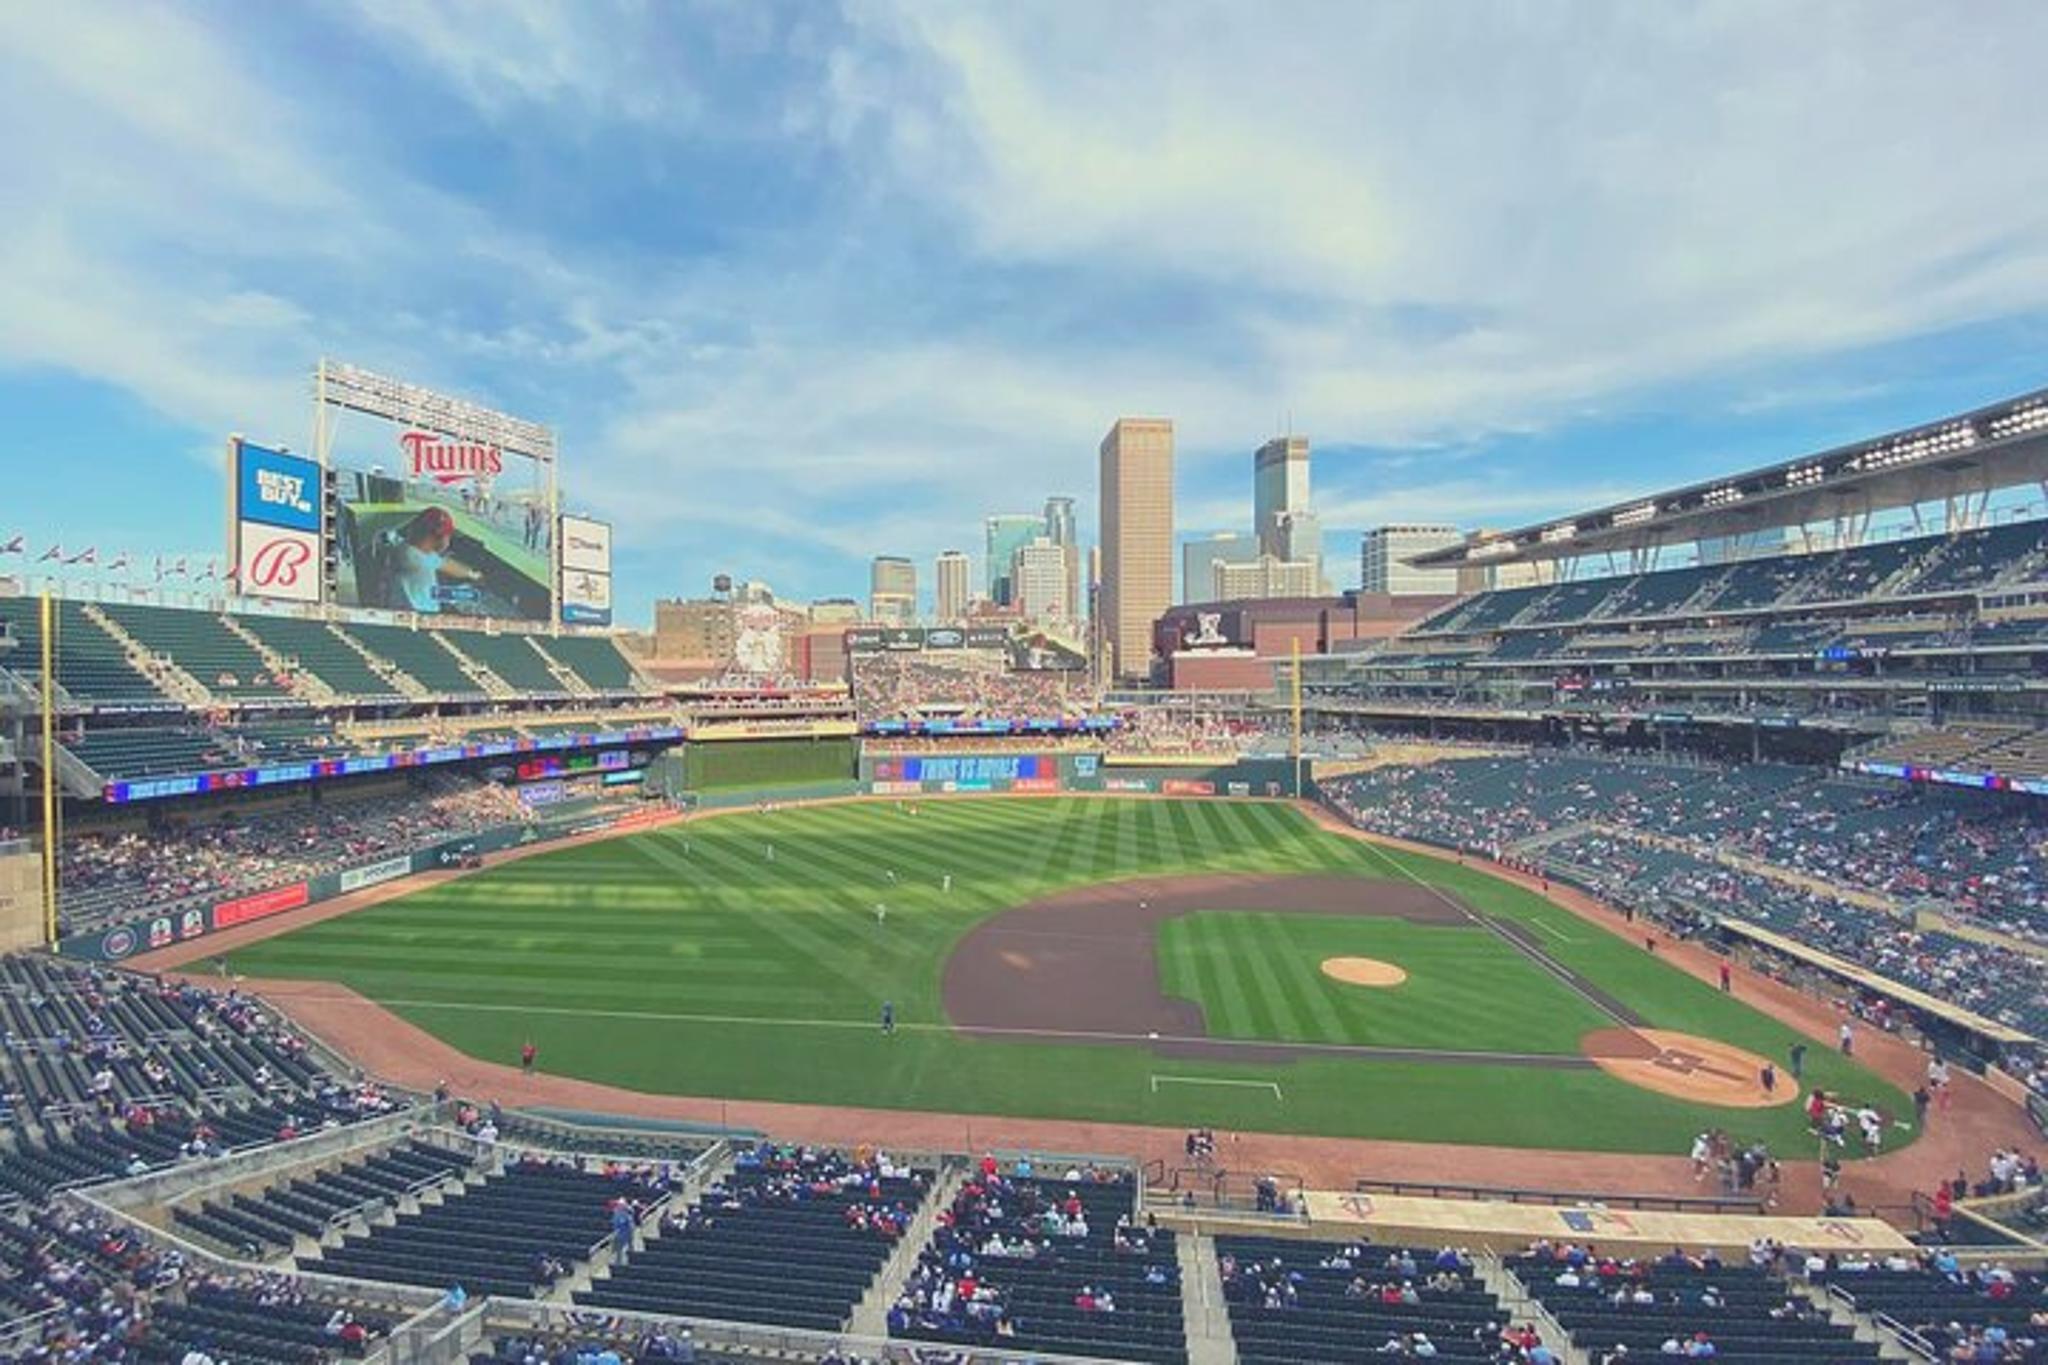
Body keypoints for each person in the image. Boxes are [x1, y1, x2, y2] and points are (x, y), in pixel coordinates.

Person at [378, 507, 481, 614]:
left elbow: (446, 564)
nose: (448, 539)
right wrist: (469, 594)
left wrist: (473, 574)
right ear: (437, 537)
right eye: (448, 535)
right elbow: (438, 593)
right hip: (419, 621)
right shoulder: (417, 562)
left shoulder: (409, 550)